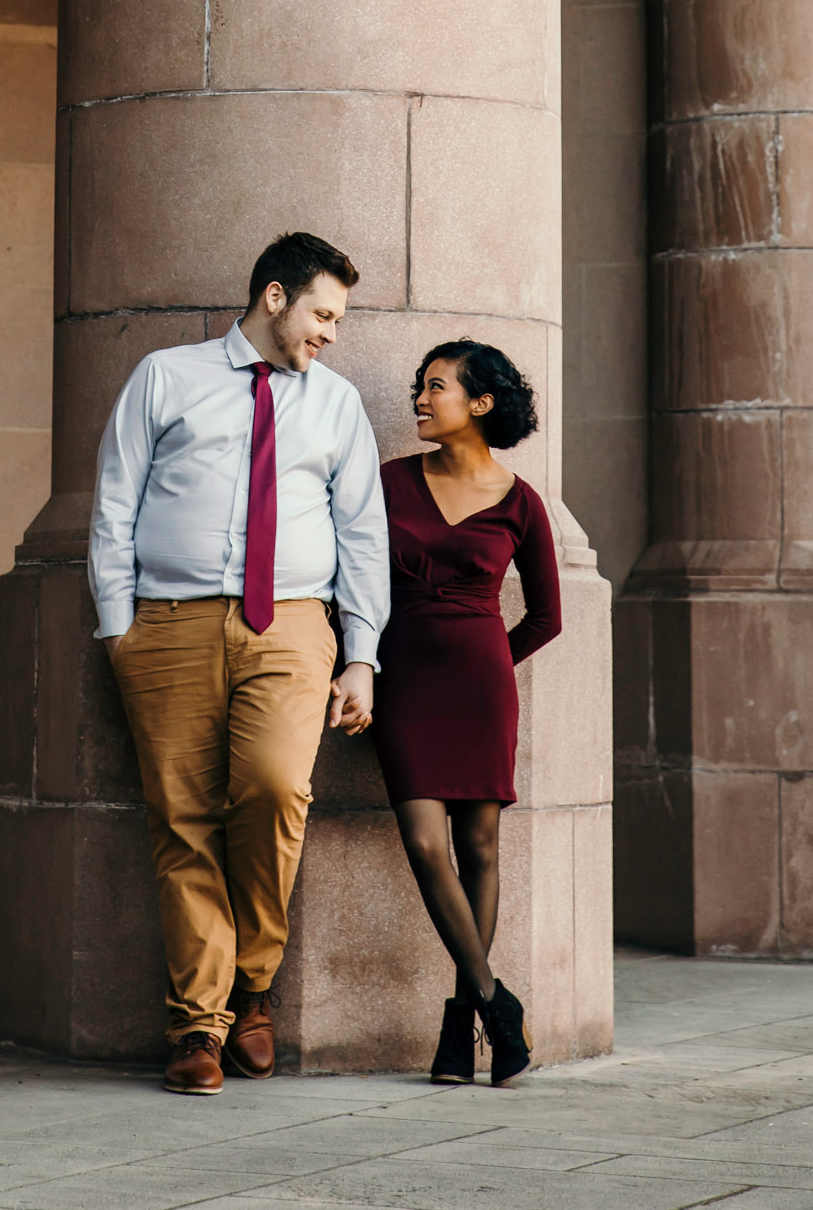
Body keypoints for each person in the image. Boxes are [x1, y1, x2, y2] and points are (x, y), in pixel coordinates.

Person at [89, 231, 388, 1095]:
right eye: (322, 313)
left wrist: (361, 655)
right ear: (273, 298)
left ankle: (255, 982)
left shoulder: (334, 404)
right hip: (167, 626)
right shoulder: (165, 376)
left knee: (273, 789)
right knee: (179, 817)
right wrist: (120, 630)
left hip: (292, 623)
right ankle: (199, 1025)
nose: (330, 332)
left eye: (337, 318)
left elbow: (361, 533)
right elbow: (115, 503)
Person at [368, 340, 562, 1087]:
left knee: (479, 848)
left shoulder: (520, 502)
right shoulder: (385, 482)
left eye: (436, 387)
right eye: (420, 385)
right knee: (425, 843)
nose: (419, 398)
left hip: (480, 686)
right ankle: (493, 1002)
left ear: (480, 404)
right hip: (402, 683)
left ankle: (459, 1032)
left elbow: (546, 618)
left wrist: (485, 668)